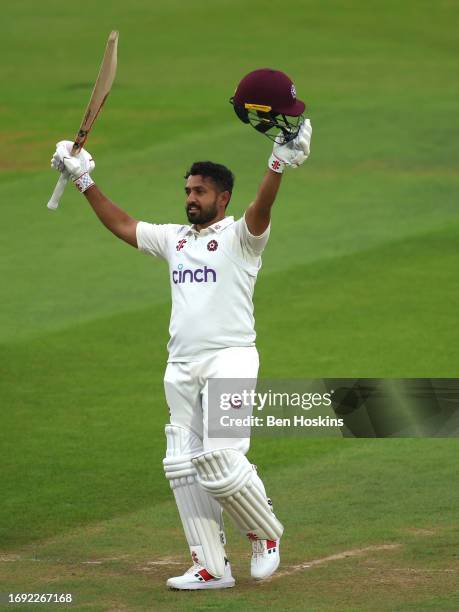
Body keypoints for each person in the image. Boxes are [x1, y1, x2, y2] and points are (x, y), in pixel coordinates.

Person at [50, 84, 311, 591]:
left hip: (230, 359)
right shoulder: (174, 240)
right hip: (181, 365)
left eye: (199, 192)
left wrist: (278, 164)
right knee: (183, 463)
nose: (190, 198)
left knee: (221, 461)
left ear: (222, 197)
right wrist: (83, 178)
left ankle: (264, 532)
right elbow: (124, 225)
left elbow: (262, 207)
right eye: (188, 191)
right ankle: (210, 565)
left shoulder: (242, 236)